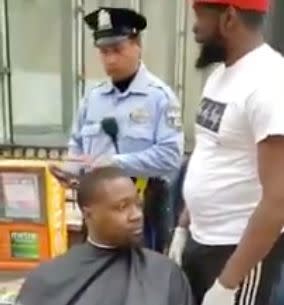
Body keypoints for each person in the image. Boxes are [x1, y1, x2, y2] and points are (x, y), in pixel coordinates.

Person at [169, 0, 284, 304]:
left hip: (238, 251)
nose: (194, 27)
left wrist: (228, 284)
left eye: (199, 16)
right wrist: (183, 226)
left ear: (229, 18)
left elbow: (278, 200)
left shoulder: (271, 84)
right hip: (200, 238)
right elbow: (210, 153)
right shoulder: (221, 75)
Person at [50, 7, 183, 252]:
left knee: (141, 281)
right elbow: (77, 144)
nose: (110, 59)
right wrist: (70, 170)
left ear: (137, 46)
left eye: (118, 50)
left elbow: (170, 156)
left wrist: (114, 163)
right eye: (104, 52)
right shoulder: (93, 98)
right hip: (97, 210)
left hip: (141, 208)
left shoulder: (159, 98)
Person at [16, 167, 195, 305]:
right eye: (122, 207)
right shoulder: (48, 280)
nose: (136, 215)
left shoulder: (165, 273)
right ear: (89, 214)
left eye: (138, 204)